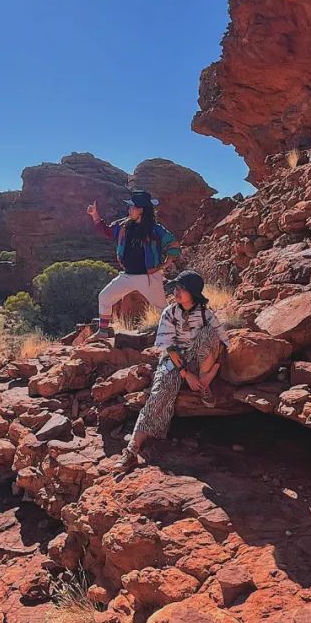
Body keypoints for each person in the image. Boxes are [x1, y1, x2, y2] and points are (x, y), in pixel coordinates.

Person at [115, 270, 229, 472]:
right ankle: (132, 449)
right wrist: (186, 374)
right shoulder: (169, 313)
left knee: (209, 334)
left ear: (193, 292)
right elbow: (169, 348)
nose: (176, 292)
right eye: (176, 288)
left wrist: (209, 374)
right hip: (175, 361)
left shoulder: (206, 314)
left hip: (200, 361)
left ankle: (204, 387)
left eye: (181, 288)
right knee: (159, 394)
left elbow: (222, 344)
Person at [86, 190, 180, 343]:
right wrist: (95, 215)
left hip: (149, 277)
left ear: (141, 210)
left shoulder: (155, 229)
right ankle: (103, 332)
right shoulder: (124, 226)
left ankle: (179, 333)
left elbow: (174, 245)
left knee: (162, 309)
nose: (129, 210)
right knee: (105, 297)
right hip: (128, 275)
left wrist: (167, 262)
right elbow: (108, 232)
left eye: (132, 207)